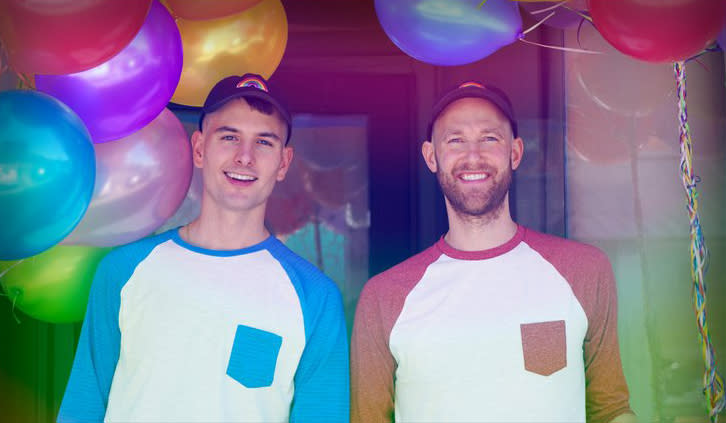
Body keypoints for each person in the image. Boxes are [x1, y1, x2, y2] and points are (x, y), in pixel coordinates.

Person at [57, 74, 349, 423]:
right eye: (229, 137)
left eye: (264, 143)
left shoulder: (314, 297)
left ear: (283, 163)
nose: (245, 157)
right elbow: (83, 408)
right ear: (199, 149)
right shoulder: (123, 271)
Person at [351, 81, 636, 423]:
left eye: (489, 138)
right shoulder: (384, 296)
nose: (473, 156)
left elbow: (611, 411)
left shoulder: (583, 270)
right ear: (431, 156)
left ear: (515, 152)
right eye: (455, 140)